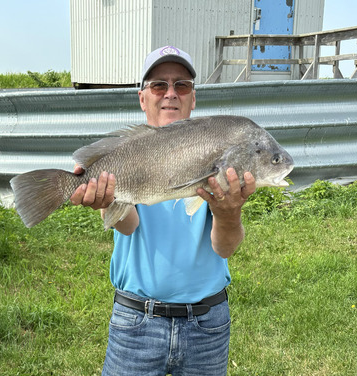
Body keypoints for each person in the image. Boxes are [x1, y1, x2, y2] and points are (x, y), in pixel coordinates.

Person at [69, 45, 256, 375]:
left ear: (193, 98)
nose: (171, 94)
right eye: (159, 85)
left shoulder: (216, 151)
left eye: (181, 85)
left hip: (207, 324)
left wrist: (229, 211)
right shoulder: (128, 152)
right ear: (143, 98)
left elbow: (225, 247)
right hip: (136, 322)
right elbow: (127, 226)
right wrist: (108, 200)